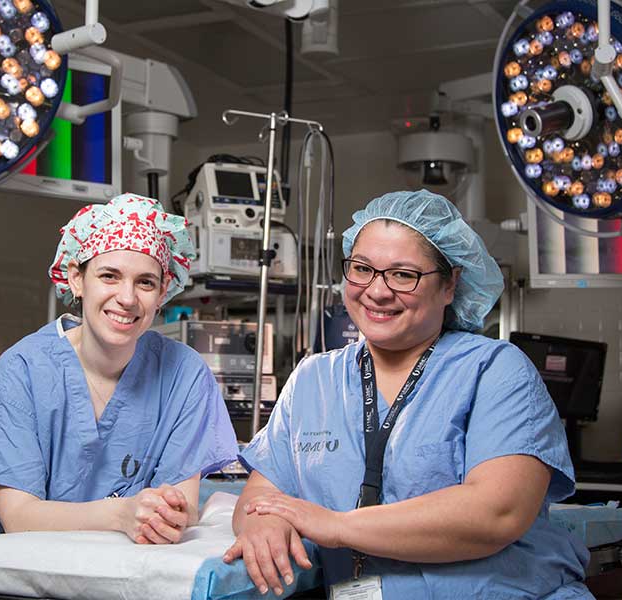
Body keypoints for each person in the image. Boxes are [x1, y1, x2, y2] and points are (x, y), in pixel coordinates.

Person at [224, 190, 592, 599]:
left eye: (403, 275)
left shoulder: (495, 371)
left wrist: (337, 526)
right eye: (362, 268)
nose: (377, 291)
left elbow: (497, 512)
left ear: (450, 284)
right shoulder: (314, 380)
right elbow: (261, 492)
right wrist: (262, 524)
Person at [0, 193, 238, 592]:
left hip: (114, 581)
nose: (127, 298)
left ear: (163, 291)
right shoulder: (25, 369)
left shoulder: (184, 375)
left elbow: (177, 511)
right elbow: (19, 518)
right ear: (75, 278)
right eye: (109, 275)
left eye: (145, 282)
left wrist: (159, 515)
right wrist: (122, 514)